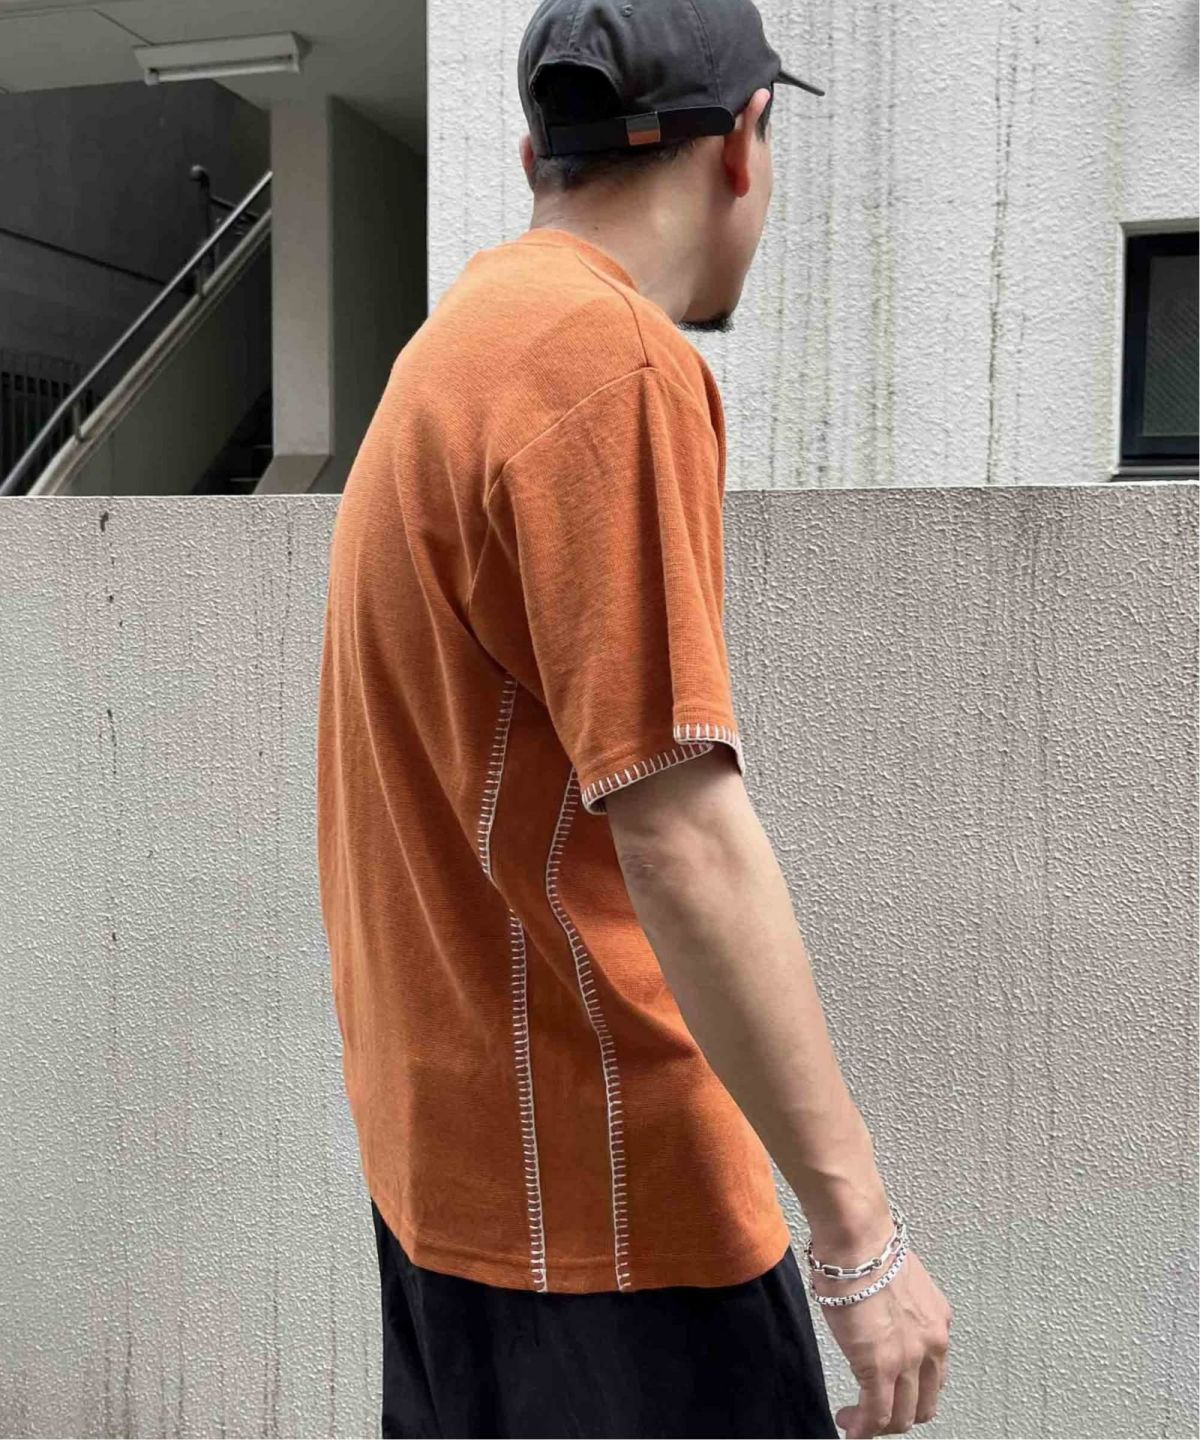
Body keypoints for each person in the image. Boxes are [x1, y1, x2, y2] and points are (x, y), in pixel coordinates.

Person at [315, 0, 953, 1435]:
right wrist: (860, 1238)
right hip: (616, 1234)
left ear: (534, 153)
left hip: (451, 1199)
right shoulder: (606, 363)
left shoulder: (445, 358)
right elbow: (680, 833)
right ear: (743, 143)